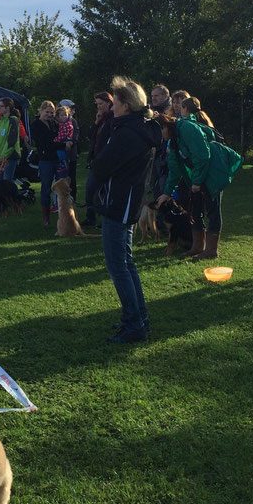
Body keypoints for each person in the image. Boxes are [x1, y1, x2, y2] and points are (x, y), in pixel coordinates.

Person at [92, 76, 162, 343]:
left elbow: (102, 166)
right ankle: (138, 318)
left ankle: (134, 324)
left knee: (118, 266)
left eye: (116, 103)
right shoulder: (138, 127)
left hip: (120, 203)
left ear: (127, 105)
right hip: (125, 201)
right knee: (126, 263)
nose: (112, 108)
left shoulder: (127, 132)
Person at [156, 97, 223, 258]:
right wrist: (167, 193)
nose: (159, 137)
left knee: (212, 210)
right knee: (195, 211)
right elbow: (175, 169)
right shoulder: (173, 139)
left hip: (212, 173)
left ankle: (211, 251)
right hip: (196, 178)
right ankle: (197, 246)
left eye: (159, 132)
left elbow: (202, 156)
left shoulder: (187, 129)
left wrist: (197, 182)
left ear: (165, 126)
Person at [83, 91, 115, 226]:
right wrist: (96, 121)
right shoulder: (101, 118)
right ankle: (90, 217)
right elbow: (90, 135)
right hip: (95, 158)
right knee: (90, 189)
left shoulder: (113, 118)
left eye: (101, 104)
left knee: (105, 190)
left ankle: (105, 218)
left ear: (109, 103)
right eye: (97, 104)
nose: (99, 107)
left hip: (106, 159)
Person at [31, 100, 60, 225]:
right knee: (46, 188)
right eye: (47, 112)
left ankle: (63, 213)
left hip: (57, 158)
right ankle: (46, 217)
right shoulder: (36, 125)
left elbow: (57, 138)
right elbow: (44, 143)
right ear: (41, 111)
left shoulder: (54, 123)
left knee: (61, 187)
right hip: (45, 160)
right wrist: (61, 145)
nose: (49, 114)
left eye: (51, 112)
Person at [0, 97, 24, 182]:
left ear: (7, 107)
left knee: (6, 182)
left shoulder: (13, 121)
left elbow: (11, 141)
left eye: (1, 106)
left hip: (10, 157)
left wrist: (4, 156)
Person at [53, 104, 76, 181]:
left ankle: (62, 164)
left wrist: (56, 140)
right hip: (60, 142)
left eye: (65, 115)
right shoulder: (58, 124)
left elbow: (64, 134)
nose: (64, 117)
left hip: (64, 141)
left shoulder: (68, 124)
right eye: (62, 115)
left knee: (62, 155)